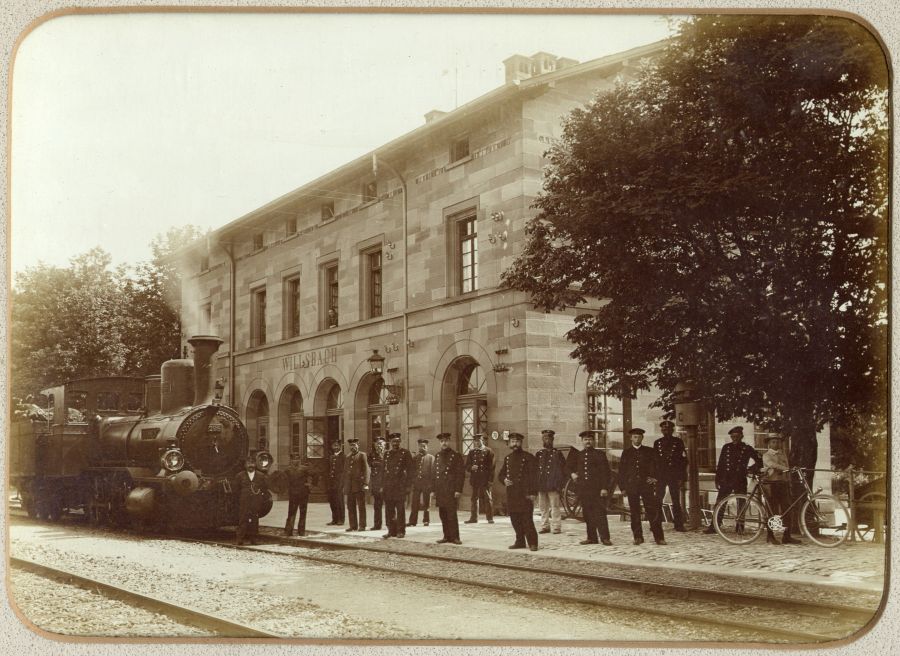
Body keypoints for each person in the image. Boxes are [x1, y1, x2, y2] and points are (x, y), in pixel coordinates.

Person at [705, 426, 764, 534]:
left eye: (737, 436)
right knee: (720, 502)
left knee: (741, 502)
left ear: (741, 436)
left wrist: (749, 469)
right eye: (733, 436)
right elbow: (721, 464)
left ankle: (740, 527)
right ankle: (714, 526)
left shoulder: (747, 448)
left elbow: (760, 460)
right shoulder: (726, 447)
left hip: (740, 478)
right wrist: (717, 479)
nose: (735, 438)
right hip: (726, 479)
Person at [619, 428, 666, 545]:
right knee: (634, 512)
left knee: (652, 511)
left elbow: (658, 467)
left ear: (642, 438)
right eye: (634, 437)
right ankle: (638, 537)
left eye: (639, 437)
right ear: (631, 438)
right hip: (632, 486)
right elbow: (621, 471)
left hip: (646, 486)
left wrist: (655, 478)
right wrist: (623, 488)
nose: (637, 439)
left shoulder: (649, 451)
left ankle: (659, 537)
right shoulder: (626, 453)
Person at [566, 430, 613, 545]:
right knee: (587, 514)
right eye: (586, 440)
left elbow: (605, 473)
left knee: (600, 513)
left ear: (593, 441)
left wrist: (604, 488)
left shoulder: (599, 455)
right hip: (584, 490)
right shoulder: (579, 455)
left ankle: (605, 537)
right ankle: (591, 538)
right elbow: (567, 467)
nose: (588, 442)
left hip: (597, 489)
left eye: (590, 440)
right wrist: (572, 474)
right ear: (582, 441)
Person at [498, 432, 539, 551]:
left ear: (521, 443)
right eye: (512, 442)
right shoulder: (507, 458)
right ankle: (520, 541)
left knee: (527, 519)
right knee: (515, 519)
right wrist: (504, 480)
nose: (514, 444)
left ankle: (533, 543)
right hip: (512, 493)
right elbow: (501, 475)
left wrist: (533, 493)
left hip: (525, 493)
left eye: (517, 441)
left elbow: (534, 476)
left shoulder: (529, 457)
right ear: (509, 443)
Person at [762, 435, 800, 545]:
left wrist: (789, 481)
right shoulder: (766, 455)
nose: (776, 444)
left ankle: (787, 536)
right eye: (773, 442)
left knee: (787, 509)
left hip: (783, 484)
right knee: (772, 510)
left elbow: (787, 469)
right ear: (769, 443)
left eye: (778, 442)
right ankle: (770, 536)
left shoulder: (783, 455)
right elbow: (772, 465)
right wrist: (785, 469)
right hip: (772, 485)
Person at [653, 419, 688, 532]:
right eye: (664, 429)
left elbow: (683, 461)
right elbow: (654, 461)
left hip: (674, 475)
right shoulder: (657, 443)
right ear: (661, 430)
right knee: (658, 499)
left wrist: (682, 477)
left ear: (672, 430)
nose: (666, 431)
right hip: (660, 475)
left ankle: (678, 524)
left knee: (676, 500)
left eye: (668, 429)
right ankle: (656, 523)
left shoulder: (678, 442)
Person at [431, 432, 465, 544]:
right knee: (443, 514)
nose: (444, 443)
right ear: (440, 443)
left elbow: (460, 474)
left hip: (451, 490)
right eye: (442, 441)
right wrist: (433, 490)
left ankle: (455, 537)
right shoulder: (437, 455)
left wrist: (458, 489)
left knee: (451, 514)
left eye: (446, 441)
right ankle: (446, 536)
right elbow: (434, 474)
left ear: (449, 441)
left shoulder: (455, 455)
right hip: (440, 490)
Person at [535, 429, 567, 535]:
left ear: (552, 439)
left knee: (555, 506)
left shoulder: (557, 454)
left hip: (553, 485)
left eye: (549, 438)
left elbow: (563, 470)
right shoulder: (539, 454)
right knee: (543, 507)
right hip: (541, 485)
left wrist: (560, 484)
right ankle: (545, 526)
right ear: (542, 440)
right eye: (545, 438)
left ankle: (556, 527)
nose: (547, 440)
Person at [382, 432, 414, 538]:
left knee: (400, 510)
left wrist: (408, 486)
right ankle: (391, 530)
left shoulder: (405, 453)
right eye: (393, 441)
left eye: (397, 441)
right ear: (390, 442)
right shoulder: (386, 454)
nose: (395, 443)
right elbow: (383, 471)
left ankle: (401, 531)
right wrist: (382, 486)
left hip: (400, 487)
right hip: (388, 487)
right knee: (389, 510)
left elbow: (411, 471)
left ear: (400, 441)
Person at [234, 456, 269, 545]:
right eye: (248, 464)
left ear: (255, 465)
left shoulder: (261, 476)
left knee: (254, 519)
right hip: (244, 501)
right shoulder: (240, 475)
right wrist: (241, 498)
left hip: (255, 501)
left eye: (252, 463)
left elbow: (264, 488)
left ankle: (253, 539)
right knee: (242, 519)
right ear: (245, 465)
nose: (251, 465)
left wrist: (260, 497)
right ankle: (240, 539)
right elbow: (236, 489)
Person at [465, 433, 495, 524]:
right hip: (475, 479)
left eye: (479, 440)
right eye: (475, 441)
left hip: (485, 479)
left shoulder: (489, 451)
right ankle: (474, 518)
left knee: (488, 498)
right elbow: (466, 466)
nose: (477, 443)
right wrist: (471, 468)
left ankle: (490, 518)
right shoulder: (471, 452)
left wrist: (490, 480)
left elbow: (492, 467)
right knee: (474, 498)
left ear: (483, 440)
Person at [284, 455, 315, 537]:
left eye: (298, 459)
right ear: (291, 460)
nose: (296, 461)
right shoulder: (287, 470)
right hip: (293, 494)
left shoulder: (304, 469)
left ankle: (301, 531)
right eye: (294, 459)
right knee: (291, 513)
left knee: (303, 513)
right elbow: (282, 480)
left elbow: (315, 474)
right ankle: (289, 531)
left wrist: (311, 484)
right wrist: (286, 488)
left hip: (303, 494)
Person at [343, 437, 370, 531]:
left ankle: (362, 525)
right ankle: (353, 526)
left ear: (358, 445)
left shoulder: (362, 455)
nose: (352, 447)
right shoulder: (348, 457)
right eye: (350, 445)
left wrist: (366, 483)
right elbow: (345, 472)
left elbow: (367, 470)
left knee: (361, 507)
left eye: (354, 445)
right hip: (350, 486)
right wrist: (345, 486)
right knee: (350, 507)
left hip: (359, 486)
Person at [408, 438, 435, 527]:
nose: (422, 448)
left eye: (424, 446)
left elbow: (433, 472)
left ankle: (426, 520)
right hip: (417, 484)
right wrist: (413, 481)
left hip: (427, 484)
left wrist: (432, 485)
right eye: (420, 446)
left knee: (426, 503)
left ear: (427, 447)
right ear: (418, 447)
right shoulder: (415, 458)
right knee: (414, 502)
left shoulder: (431, 458)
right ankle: (413, 521)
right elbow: (411, 471)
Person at [325, 438, 346, 526]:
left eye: (337, 445)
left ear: (340, 446)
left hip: (339, 482)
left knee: (339, 501)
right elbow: (329, 469)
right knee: (332, 501)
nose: (335, 447)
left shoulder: (343, 456)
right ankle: (334, 519)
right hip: (332, 482)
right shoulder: (331, 456)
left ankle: (341, 519)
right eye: (334, 445)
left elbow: (345, 471)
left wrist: (343, 483)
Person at [368, 436, 386, 531]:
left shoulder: (388, 454)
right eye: (377, 444)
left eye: (381, 444)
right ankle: (377, 525)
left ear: (385, 444)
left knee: (389, 505)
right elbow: (371, 467)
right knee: (377, 505)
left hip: (386, 484)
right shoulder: (371, 455)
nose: (379, 446)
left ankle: (390, 525)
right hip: (376, 483)